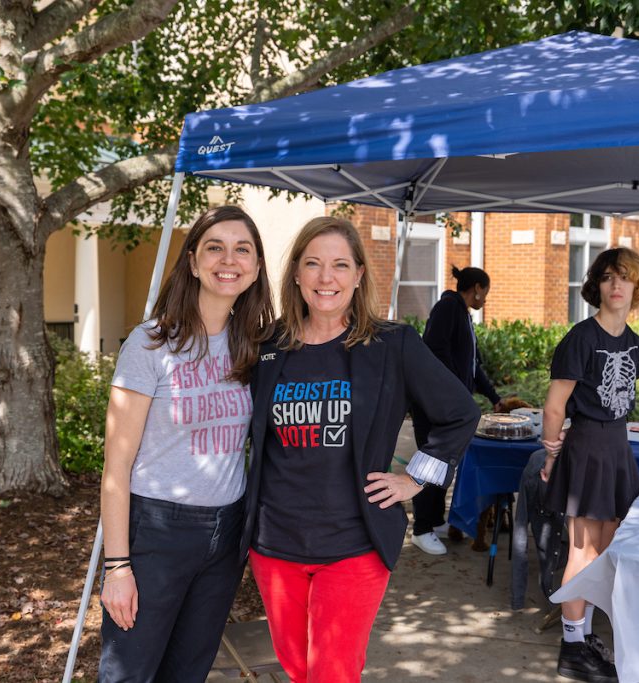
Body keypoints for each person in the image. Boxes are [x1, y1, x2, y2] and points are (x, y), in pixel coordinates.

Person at [242, 216, 480, 683]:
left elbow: (459, 413)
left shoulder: (392, 345)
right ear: (295, 274)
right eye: (312, 264)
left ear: (358, 275)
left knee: (332, 673)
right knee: (296, 669)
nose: (325, 278)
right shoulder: (268, 346)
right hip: (274, 544)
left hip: (354, 543)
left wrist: (416, 477)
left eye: (339, 265)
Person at [98, 206, 275, 682]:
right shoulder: (151, 344)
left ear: (256, 267)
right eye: (215, 247)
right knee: (128, 673)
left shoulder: (254, 347)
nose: (229, 259)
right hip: (157, 531)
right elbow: (116, 468)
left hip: (226, 534)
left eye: (243, 249)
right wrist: (117, 568)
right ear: (193, 261)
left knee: (188, 672)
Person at [540, 247, 639, 683]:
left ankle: (584, 638)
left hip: (616, 448)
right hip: (585, 446)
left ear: (636, 286)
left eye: (625, 278)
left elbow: (623, 405)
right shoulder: (581, 338)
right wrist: (552, 455)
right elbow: (554, 408)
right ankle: (571, 647)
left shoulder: (636, 345)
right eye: (608, 278)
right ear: (597, 286)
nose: (617, 285)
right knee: (582, 551)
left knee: (605, 551)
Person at [410, 265, 504, 555]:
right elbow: (434, 350)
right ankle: (421, 529)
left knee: (443, 463)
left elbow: (472, 367)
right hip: (434, 405)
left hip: (451, 408)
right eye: (484, 293)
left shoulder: (462, 314)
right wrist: (454, 393)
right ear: (476, 287)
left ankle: (435, 520)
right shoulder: (447, 307)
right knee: (429, 461)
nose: (484, 300)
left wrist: (493, 397)